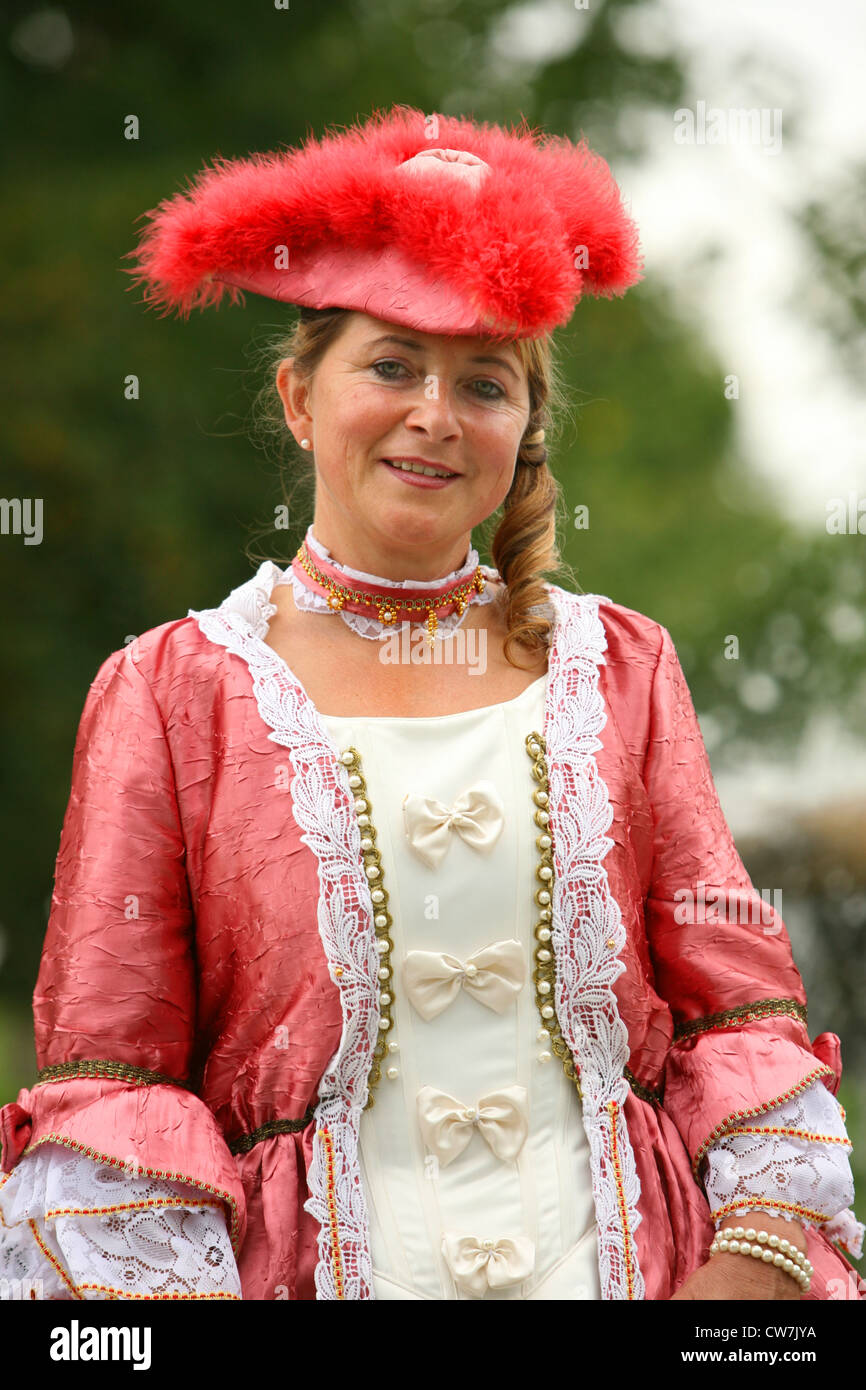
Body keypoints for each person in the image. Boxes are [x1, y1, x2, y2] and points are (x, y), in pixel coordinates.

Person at [0, 105, 862, 1302]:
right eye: (391, 367)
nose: (434, 415)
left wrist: (750, 1272)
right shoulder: (168, 691)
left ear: (523, 429)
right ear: (300, 401)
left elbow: (740, 1012)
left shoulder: (621, 669)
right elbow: (113, 1081)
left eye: (484, 384)